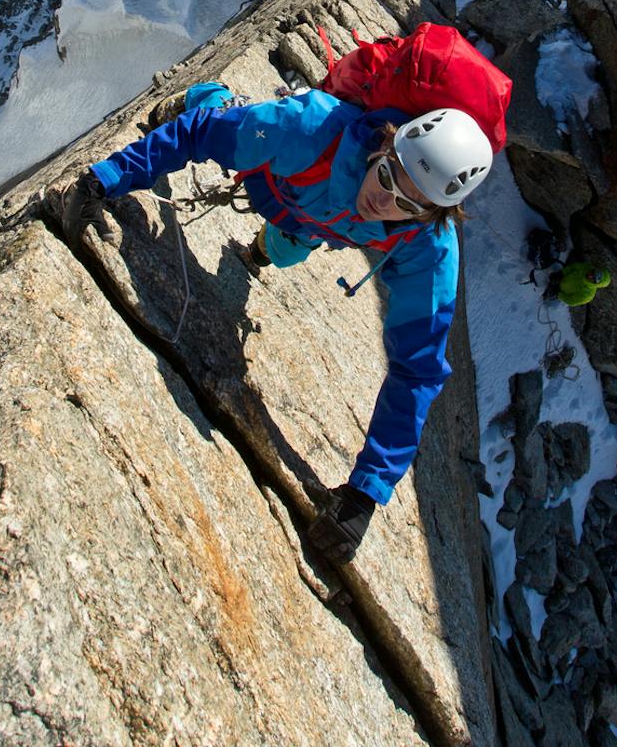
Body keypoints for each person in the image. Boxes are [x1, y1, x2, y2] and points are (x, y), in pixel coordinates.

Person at [47, 80, 494, 564]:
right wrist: (106, 179)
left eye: (408, 205)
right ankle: (208, 91)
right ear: (386, 143)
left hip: (305, 215)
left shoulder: (428, 248)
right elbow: (199, 136)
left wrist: (365, 493)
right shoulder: (310, 129)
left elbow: (416, 370)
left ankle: (260, 250)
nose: (385, 203)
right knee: (216, 118)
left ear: (435, 215)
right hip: (276, 175)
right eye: (387, 177)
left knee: (281, 251)